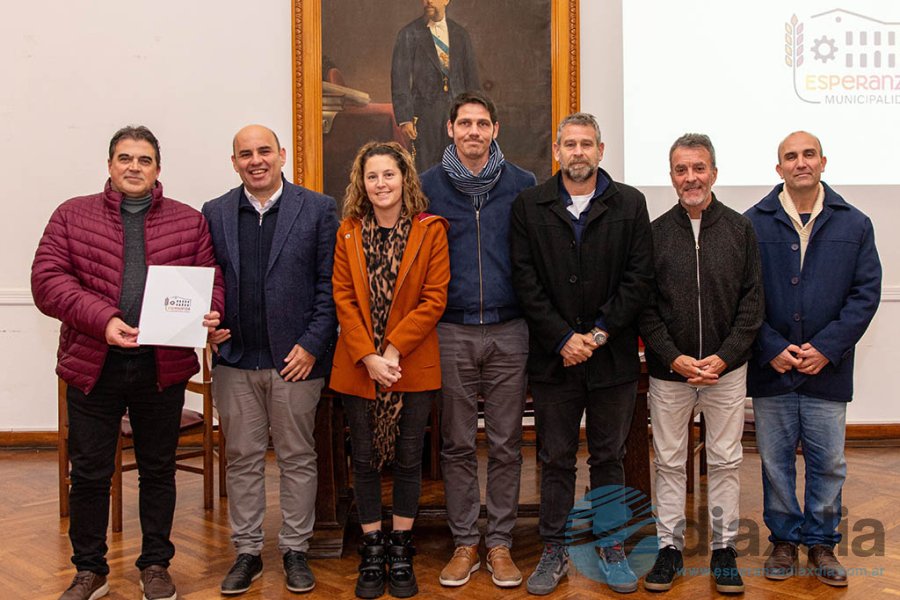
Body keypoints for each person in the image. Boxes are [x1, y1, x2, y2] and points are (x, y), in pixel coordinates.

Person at [31, 125, 225, 600]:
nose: (133, 167)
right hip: (94, 361)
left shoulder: (188, 221)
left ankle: (156, 565)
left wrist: (211, 308)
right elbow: (46, 280)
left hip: (162, 367)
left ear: (158, 169)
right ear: (110, 164)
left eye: (143, 160)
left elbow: (210, 279)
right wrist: (105, 320)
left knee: (159, 469)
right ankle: (89, 570)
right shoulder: (71, 216)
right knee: (92, 470)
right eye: (124, 158)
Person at [509, 113, 654, 595]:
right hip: (554, 361)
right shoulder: (530, 205)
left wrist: (595, 335)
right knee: (555, 457)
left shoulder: (629, 204)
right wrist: (561, 339)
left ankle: (611, 546)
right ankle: (554, 549)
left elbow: (639, 280)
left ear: (601, 150)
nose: (578, 152)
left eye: (586, 144)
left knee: (610, 455)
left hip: (610, 360)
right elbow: (525, 281)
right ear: (557, 151)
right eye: (569, 144)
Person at [202, 125, 338, 595]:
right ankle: (247, 553)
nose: (255, 160)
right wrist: (210, 319)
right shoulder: (216, 212)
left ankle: (296, 549)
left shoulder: (318, 208)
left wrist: (313, 344)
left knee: (298, 457)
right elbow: (210, 278)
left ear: (282, 155)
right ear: (234, 161)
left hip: (296, 361)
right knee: (241, 458)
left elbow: (331, 285)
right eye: (245, 154)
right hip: (235, 359)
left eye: (264, 151)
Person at [745, 131, 881, 588]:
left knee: (829, 463)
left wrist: (826, 349)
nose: (800, 162)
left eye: (808, 155)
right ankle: (783, 541)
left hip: (829, 370)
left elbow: (865, 296)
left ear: (823, 162)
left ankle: (822, 542)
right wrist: (770, 347)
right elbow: (744, 298)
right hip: (773, 369)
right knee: (774, 461)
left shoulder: (855, 223)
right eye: (790, 156)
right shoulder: (753, 223)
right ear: (778, 167)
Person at [420, 90, 536, 589]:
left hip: (511, 329)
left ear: (495, 129)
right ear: (450, 129)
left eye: (482, 123)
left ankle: (502, 543)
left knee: (509, 442)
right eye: (464, 123)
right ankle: (466, 541)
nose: (473, 131)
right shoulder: (426, 187)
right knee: (457, 442)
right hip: (450, 329)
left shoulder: (523, 184)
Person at [639, 134, 764, 594]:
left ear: (714, 171)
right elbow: (645, 308)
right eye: (681, 169)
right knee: (669, 462)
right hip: (669, 372)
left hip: (725, 374)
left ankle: (724, 550)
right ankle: (668, 550)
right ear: (671, 175)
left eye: (699, 168)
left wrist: (723, 357)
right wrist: (674, 356)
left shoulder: (739, 230)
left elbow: (752, 305)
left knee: (727, 460)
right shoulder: (653, 234)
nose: (690, 177)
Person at [330, 141, 450, 598]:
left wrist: (395, 349)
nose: (381, 184)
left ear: (405, 180)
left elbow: (434, 298)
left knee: (406, 460)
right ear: (362, 183)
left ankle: (401, 544)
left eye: (389, 175)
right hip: (360, 365)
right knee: (361, 459)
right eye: (372, 176)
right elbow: (342, 298)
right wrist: (370, 356)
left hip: (410, 364)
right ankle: (372, 545)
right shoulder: (347, 232)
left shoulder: (430, 230)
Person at [391, 0, 480, 172]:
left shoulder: (460, 34)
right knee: (427, 169)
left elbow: (472, 78)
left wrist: (475, 113)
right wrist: (405, 118)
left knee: (459, 166)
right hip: (425, 116)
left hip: (457, 114)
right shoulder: (409, 34)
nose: (428, 1)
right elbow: (399, 79)